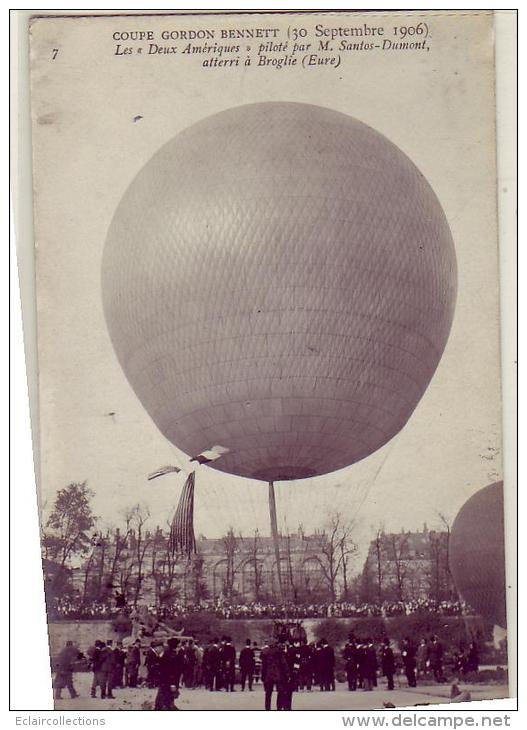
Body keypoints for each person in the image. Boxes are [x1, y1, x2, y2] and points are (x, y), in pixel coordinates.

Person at [261, 640, 290, 711]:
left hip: (268, 674)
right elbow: (284, 664)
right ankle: (278, 707)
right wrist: (287, 674)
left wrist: (263, 676)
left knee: (268, 693)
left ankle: (268, 708)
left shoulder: (265, 652)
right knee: (280, 691)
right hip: (278, 674)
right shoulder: (279, 652)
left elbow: (263, 666)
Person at [154, 638, 181, 710]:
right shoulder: (172, 655)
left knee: (163, 701)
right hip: (168, 682)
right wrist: (173, 684)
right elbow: (171, 671)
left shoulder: (167, 654)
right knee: (167, 702)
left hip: (165, 682)